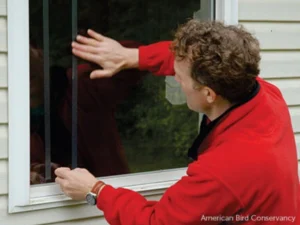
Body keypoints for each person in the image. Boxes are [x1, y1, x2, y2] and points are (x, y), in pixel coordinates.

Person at [54, 19, 300, 224]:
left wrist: (95, 191)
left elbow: (157, 221)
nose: (175, 79)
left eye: (179, 77)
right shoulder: (264, 94)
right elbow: (192, 58)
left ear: (208, 94)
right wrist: (134, 56)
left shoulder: (224, 170)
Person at [29, 41, 146, 184]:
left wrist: (95, 54)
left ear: (40, 55)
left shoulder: (79, 84)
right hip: (58, 202)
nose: (25, 67)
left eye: (27, 55)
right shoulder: (12, 121)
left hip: (107, 194)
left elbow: (137, 65)